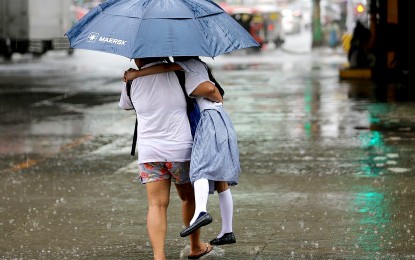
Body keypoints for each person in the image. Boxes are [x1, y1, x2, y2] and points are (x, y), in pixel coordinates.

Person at [124, 56, 241, 246]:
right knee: (216, 182)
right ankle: (218, 235)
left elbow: (208, 88)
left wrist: (136, 75)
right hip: (187, 141)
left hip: (156, 149)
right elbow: (164, 67)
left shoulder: (186, 65)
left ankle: (200, 215)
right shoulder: (185, 68)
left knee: (160, 201)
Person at [119, 57, 212, 260]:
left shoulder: (131, 79)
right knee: (189, 198)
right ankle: (195, 246)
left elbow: (126, 105)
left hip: (149, 152)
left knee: (156, 205)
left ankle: (159, 256)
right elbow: (203, 92)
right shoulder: (178, 73)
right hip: (181, 150)